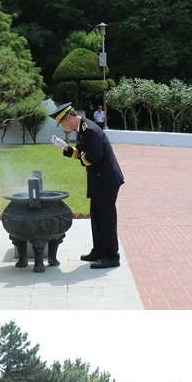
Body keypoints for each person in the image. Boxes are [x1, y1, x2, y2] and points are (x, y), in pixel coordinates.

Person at [50, 102, 125, 269]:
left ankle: (112, 256)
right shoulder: (82, 130)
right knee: (97, 217)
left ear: (69, 117)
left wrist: (82, 157)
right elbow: (80, 153)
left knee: (106, 219)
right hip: (98, 180)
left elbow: (93, 157)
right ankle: (98, 250)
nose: (63, 126)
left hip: (106, 180)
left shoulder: (90, 130)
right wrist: (65, 147)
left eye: (63, 122)